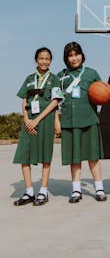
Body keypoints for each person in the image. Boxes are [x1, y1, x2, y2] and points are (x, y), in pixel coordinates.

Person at [55, 42, 107, 203]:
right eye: (70, 55)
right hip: (69, 122)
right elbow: (55, 102)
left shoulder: (91, 73)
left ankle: (99, 188)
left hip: (89, 119)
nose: (74, 58)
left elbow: (103, 93)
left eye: (77, 54)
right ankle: (76, 190)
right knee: (74, 158)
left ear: (82, 55)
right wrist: (56, 121)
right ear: (66, 58)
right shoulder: (60, 76)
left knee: (93, 156)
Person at [13, 47, 63, 206]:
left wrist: (39, 120)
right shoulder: (29, 78)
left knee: (45, 156)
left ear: (51, 61)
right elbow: (24, 101)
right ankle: (29, 192)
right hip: (29, 120)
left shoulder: (54, 79)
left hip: (45, 119)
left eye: (47, 58)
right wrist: (27, 119)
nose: (44, 61)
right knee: (24, 156)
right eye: (41, 58)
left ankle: (43, 191)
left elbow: (55, 101)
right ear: (36, 60)